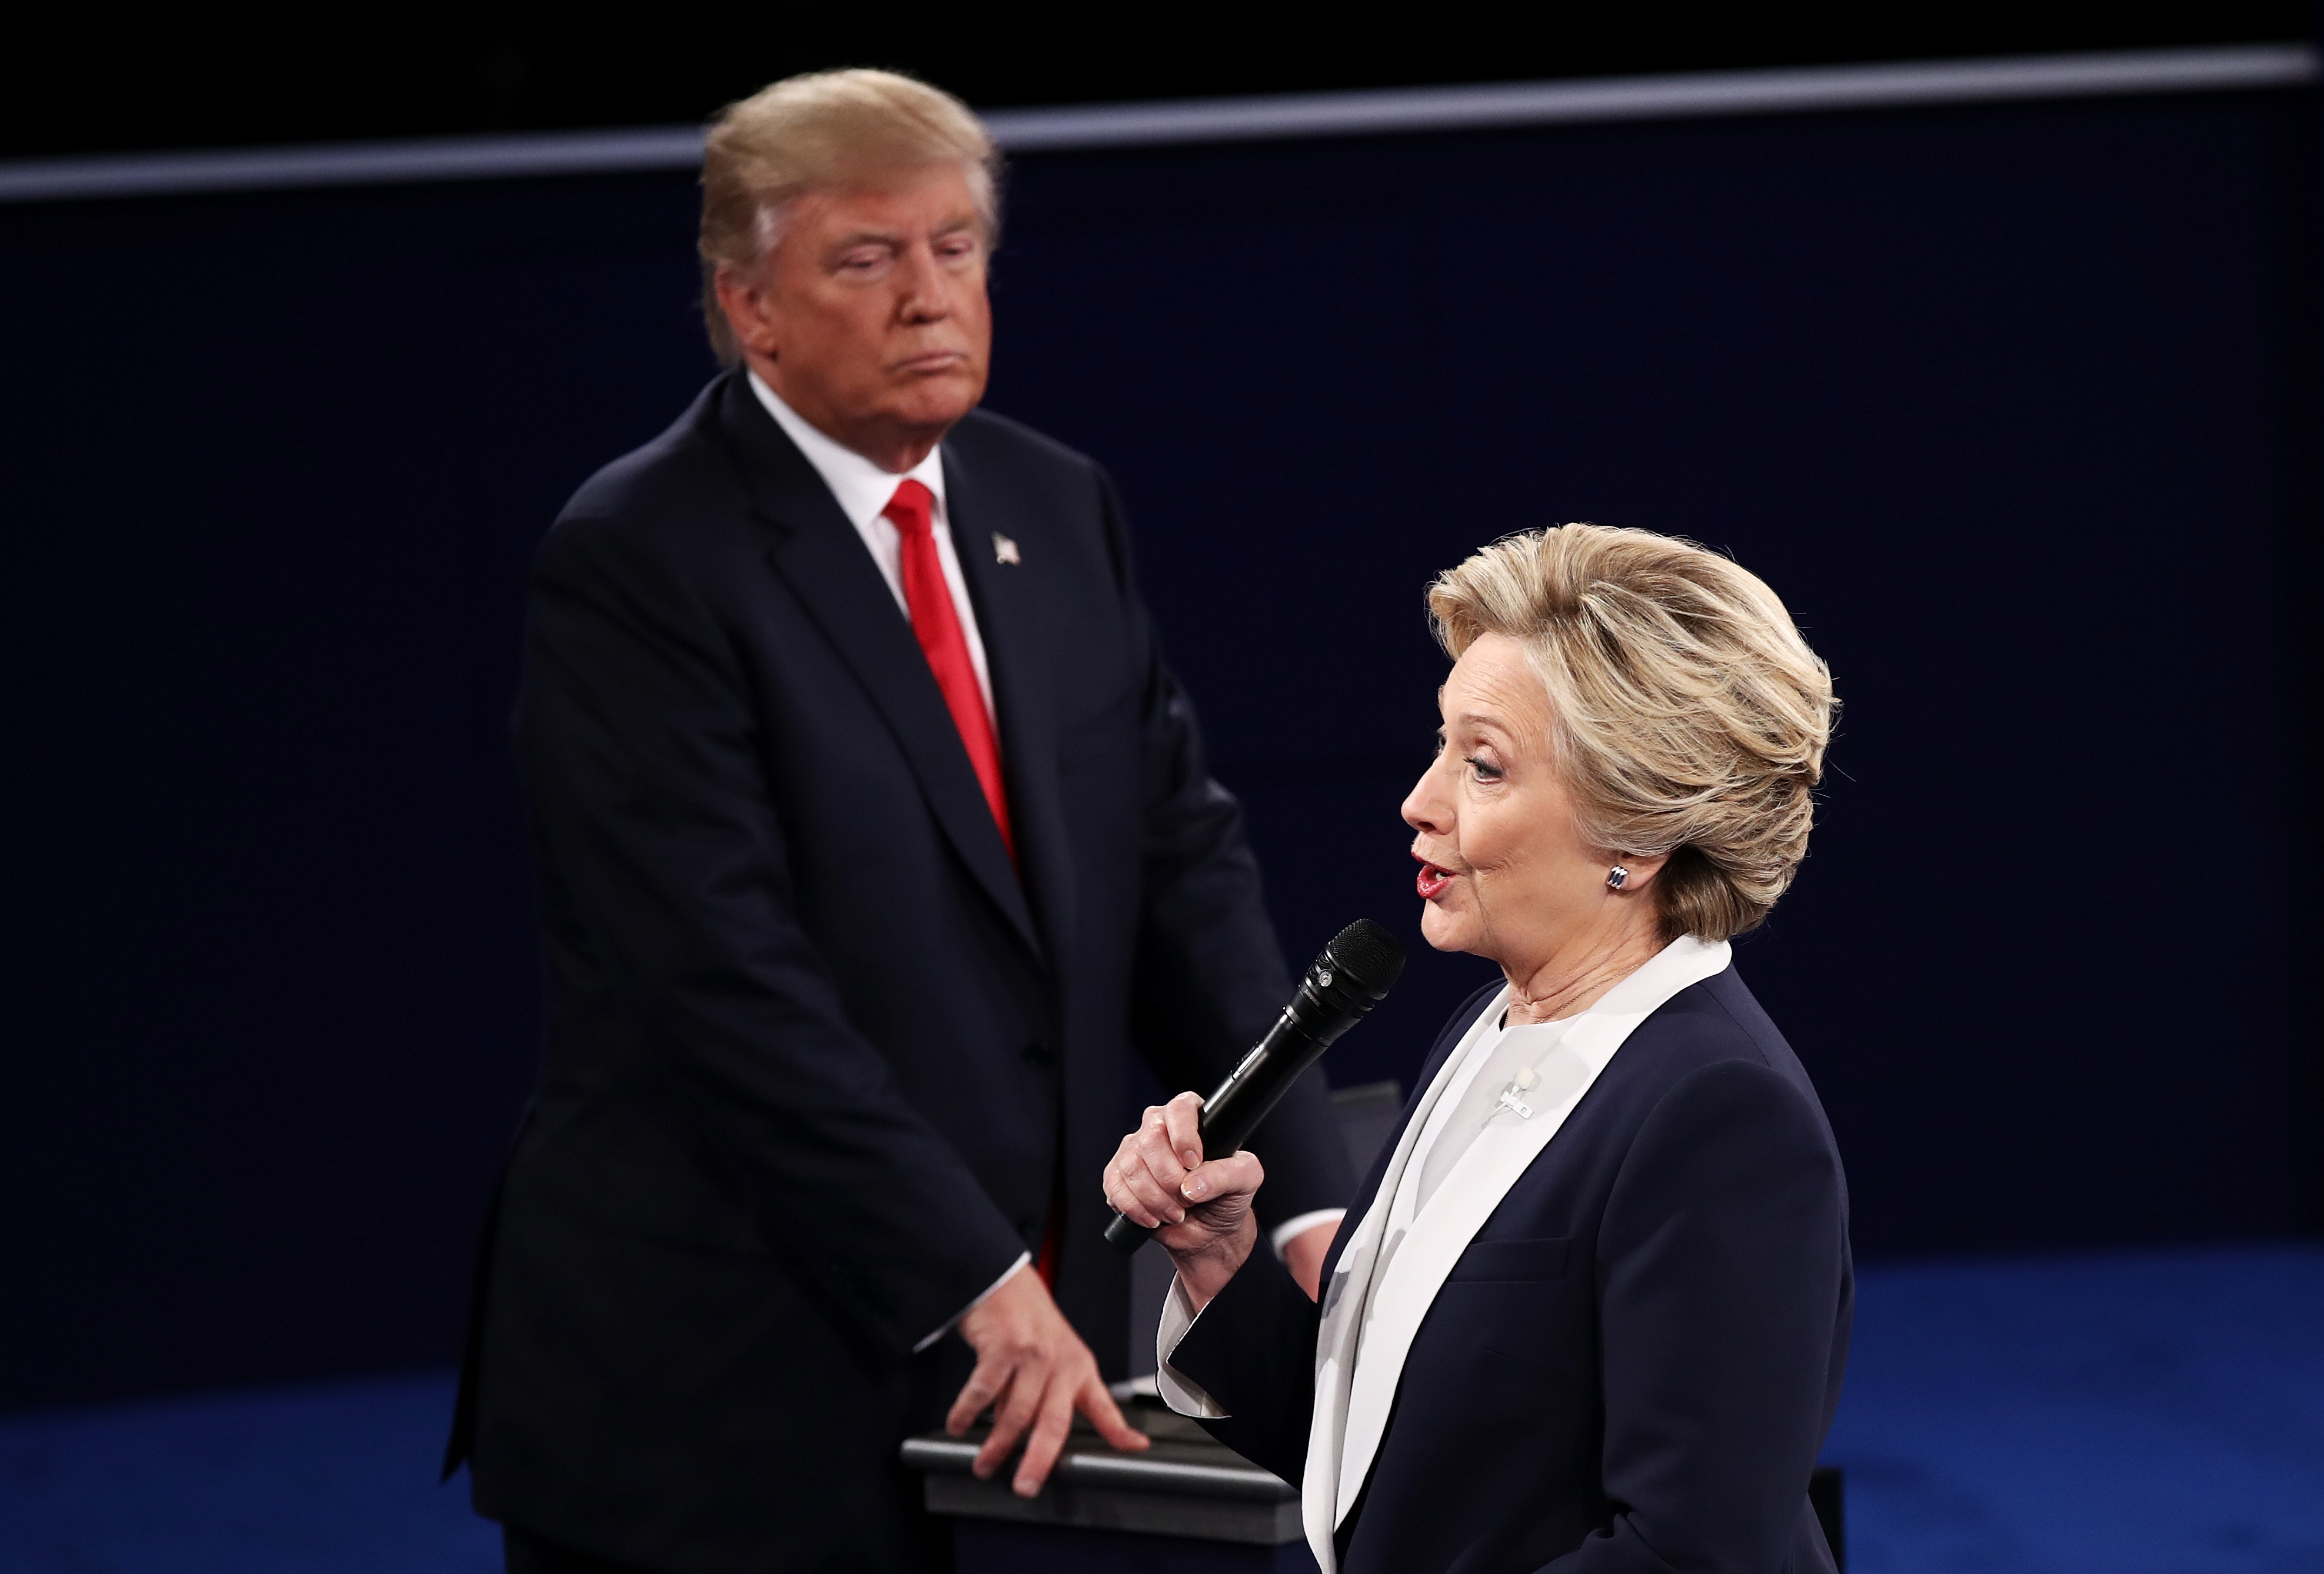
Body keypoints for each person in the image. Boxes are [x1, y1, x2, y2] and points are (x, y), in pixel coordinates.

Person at [444, 69, 1353, 1574]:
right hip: (728, 1383)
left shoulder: (1053, 505)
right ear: (752, 308)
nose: (928, 298)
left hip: (1021, 1358)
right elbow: (719, 987)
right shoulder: (637, 562)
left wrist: (1315, 1208)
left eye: (956, 249)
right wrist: (975, 1274)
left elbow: (1183, 875)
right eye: (866, 260)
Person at [1106, 525, 1852, 1573]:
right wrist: (1220, 1259)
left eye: (1484, 767)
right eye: (1441, 746)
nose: (1420, 802)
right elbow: (1382, 1464)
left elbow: (1689, 1555)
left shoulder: (1718, 1112)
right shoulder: (1489, 1026)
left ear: (1635, 836)